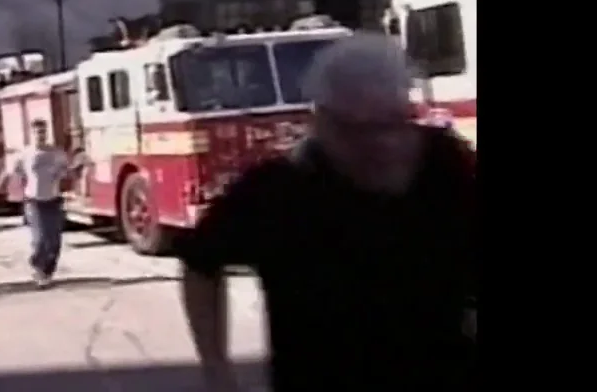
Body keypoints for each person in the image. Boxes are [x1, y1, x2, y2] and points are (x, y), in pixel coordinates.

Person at [176, 34, 476, 392]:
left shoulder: (448, 165)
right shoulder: (280, 191)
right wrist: (217, 369)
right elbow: (199, 264)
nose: (384, 143)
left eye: (394, 123)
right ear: (322, 122)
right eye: (360, 130)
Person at [0, 118, 72, 288]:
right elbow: (8, 173)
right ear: (32, 134)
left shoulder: (56, 153)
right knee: (40, 239)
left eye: (43, 132)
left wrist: (72, 175)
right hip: (34, 202)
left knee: (54, 241)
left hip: (54, 201)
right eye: (37, 132)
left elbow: (67, 172)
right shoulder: (25, 154)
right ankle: (38, 267)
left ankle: (48, 270)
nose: (40, 135)